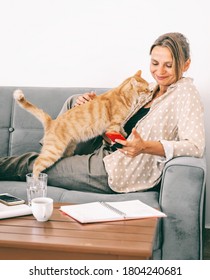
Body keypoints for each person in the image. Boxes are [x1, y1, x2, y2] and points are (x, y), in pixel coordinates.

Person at [0, 32, 205, 194]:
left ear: (186, 64)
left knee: (33, 164)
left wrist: (145, 147)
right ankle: (55, 147)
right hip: (104, 142)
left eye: (169, 65)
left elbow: (195, 146)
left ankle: (48, 153)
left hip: (117, 167)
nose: (160, 71)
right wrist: (87, 103)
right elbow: (114, 110)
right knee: (74, 102)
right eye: (154, 63)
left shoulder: (185, 93)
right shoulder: (150, 88)